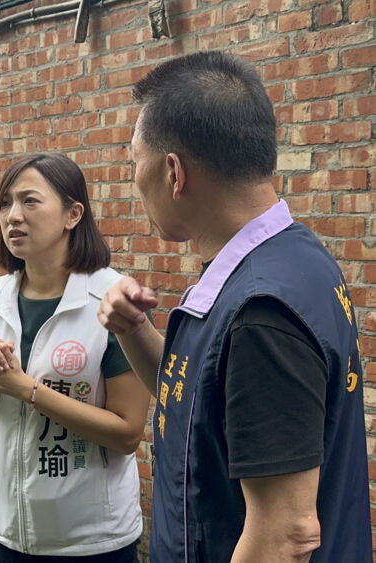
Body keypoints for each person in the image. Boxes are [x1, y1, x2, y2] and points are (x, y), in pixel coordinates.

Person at [97, 51, 370, 562]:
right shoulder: (294, 259)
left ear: (174, 172)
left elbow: (285, 534)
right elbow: (203, 406)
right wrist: (133, 329)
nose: (134, 178)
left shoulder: (260, 314)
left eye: (135, 160)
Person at [0, 153, 149, 562]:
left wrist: (24, 388)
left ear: (72, 214)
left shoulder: (111, 300)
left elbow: (128, 433)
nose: (12, 216)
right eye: (5, 203)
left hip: (91, 538)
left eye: (30, 201)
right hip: (6, 527)